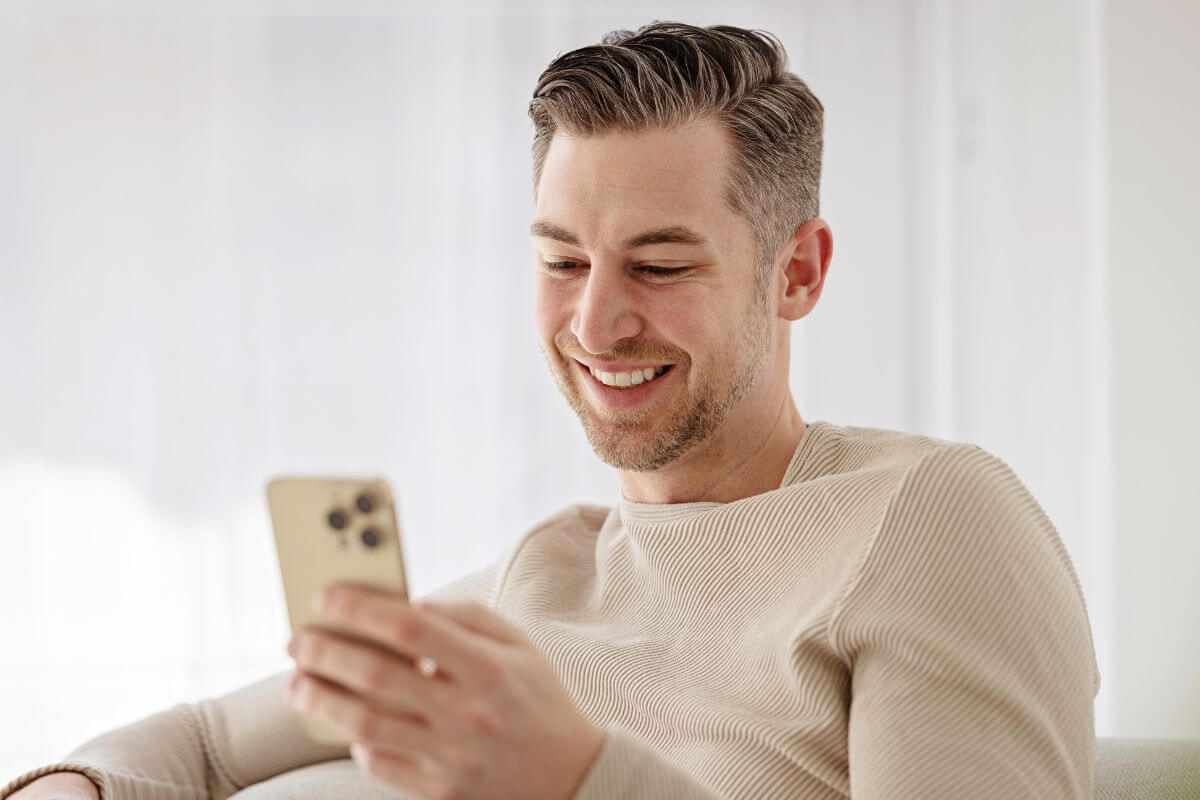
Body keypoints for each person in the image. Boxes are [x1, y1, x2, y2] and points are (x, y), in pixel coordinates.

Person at [2, 20, 1099, 800]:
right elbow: (199, 742)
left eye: (660, 263)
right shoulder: (547, 574)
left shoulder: (932, 517)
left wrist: (576, 776)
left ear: (798, 271)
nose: (596, 320)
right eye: (563, 259)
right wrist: (71, 786)